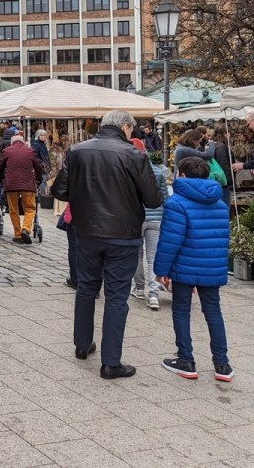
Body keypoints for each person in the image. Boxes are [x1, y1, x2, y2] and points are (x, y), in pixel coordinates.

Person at [51, 110, 165, 380]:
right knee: (116, 297)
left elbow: (59, 190)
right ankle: (110, 362)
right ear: (125, 127)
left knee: (86, 289)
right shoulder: (134, 155)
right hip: (123, 235)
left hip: (87, 232)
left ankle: (82, 343)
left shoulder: (77, 151)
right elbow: (153, 199)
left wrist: (83, 195)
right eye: (131, 128)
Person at [153, 156, 233, 382]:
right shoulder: (219, 203)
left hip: (184, 266)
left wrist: (161, 270)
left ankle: (186, 360)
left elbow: (170, 241)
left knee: (181, 311)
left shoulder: (176, 203)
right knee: (213, 312)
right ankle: (222, 364)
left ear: (183, 174)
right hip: (212, 266)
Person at [129, 138, 168, 310]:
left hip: (136, 218)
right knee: (153, 256)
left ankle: (139, 288)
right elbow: (165, 197)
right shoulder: (158, 171)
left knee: (137, 255)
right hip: (156, 218)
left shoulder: (129, 170)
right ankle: (153, 294)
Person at [0, 134, 45, 245]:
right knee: (29, 208)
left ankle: (17, 234)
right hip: (27, 184)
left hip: (11, 184)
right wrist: (38, 179)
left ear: (12, 142)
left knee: (14, 210)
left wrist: (1, 179)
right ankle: (26, 229)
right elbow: (38, 167)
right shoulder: (30, 151)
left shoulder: (6, 151)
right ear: (23, 142)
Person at [211, 124, 233, 206]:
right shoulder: (221, 147)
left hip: (216, 182)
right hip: (222, 183)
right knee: (224, 208)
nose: (230, 135)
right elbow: (223, 165)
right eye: (229, 133)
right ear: (224, 133)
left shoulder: (213, 144)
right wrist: (229, 182)